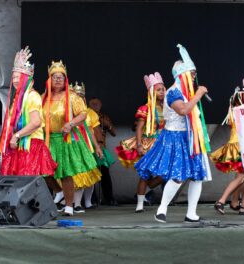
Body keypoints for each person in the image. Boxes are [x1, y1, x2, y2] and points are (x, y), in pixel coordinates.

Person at [134, 44, 211, 223]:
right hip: (176, 138)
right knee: (177, 175)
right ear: (182, 75)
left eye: (194, 74)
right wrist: (199, 94)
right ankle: (161, 209)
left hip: (191, 138)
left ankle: (191, 213)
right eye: (191, 74)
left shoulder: (187, 92)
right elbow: (183, 110)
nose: (194, 77)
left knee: (197, 176)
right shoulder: (173, 93)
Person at [42, 60, 101, 216]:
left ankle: (69, 207)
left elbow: (83, 113)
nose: (58, 79)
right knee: (45, 171)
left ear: (65, 79)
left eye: (61, 76)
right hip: (49, 139)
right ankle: (59, 191)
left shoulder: (73, 97)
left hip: (66, 139)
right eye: (54, 76)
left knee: (67, 172)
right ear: (49, 79)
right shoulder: (43, 98)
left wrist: (70, 123)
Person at [0, 47, 57, 177]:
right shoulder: (17, 99)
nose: (15, 80)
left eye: (19, 77)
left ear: (26, 78)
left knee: (26, 184)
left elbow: (36, 122)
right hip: (19, 146)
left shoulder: (32, 96)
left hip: (30, 145)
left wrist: (16, 135)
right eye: (13, 77)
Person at [115, 72, 166, 212]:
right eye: (159, 89)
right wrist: (138, 144)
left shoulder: (168, 108)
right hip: (147, 142)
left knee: (166, 172)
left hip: (162, 144)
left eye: (163, 89)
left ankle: (148, 188)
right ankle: (140, 205)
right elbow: (139, 128)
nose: (162, 91)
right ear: (152, 92)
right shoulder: (145, 108)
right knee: (145, 174)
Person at [69, 82, 107, 212]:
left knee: (87, 175)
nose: (78, 98)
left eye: (81, 95)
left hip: (86, 147)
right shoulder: (66, 111)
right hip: (70, 146)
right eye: (76, 95)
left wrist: (98, 147)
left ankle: (83, 203)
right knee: (71, 176)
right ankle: (65, 202)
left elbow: (92, 132)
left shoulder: (89, 113)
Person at [212, 86, 244, 215]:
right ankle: (221, 201)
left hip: (238, 146)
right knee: (242, 177)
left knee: (242, 177)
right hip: (242, 147)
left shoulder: (234, 112)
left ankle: (234, 202)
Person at [88, 97, 117, 205]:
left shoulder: (104, 116)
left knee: (105, 173)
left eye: (97, 104)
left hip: (101, 147)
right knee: (90, 173)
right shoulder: (86, 114)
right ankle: (91, 199)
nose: (95, 106)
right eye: (93, 104)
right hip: (88, 148)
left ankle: (109, 198)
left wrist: (107, 125)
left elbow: (114, 133)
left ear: (100, 105)